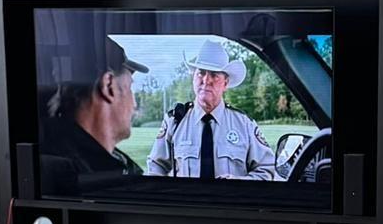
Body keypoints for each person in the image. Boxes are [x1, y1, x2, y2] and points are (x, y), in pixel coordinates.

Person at [144, 38, 277, 180]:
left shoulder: (244, 124)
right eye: (201, 73)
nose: (206, 80)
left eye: (214, 74)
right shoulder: (175, 122)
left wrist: (238, 184)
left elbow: (266, 170)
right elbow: (155, 168)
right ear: (193, 78)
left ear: (225, 83)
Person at [39, 35, 147, 195]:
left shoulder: (56, 152)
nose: (134, 104)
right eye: (130, 87)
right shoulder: (88, 177)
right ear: (109, 86)